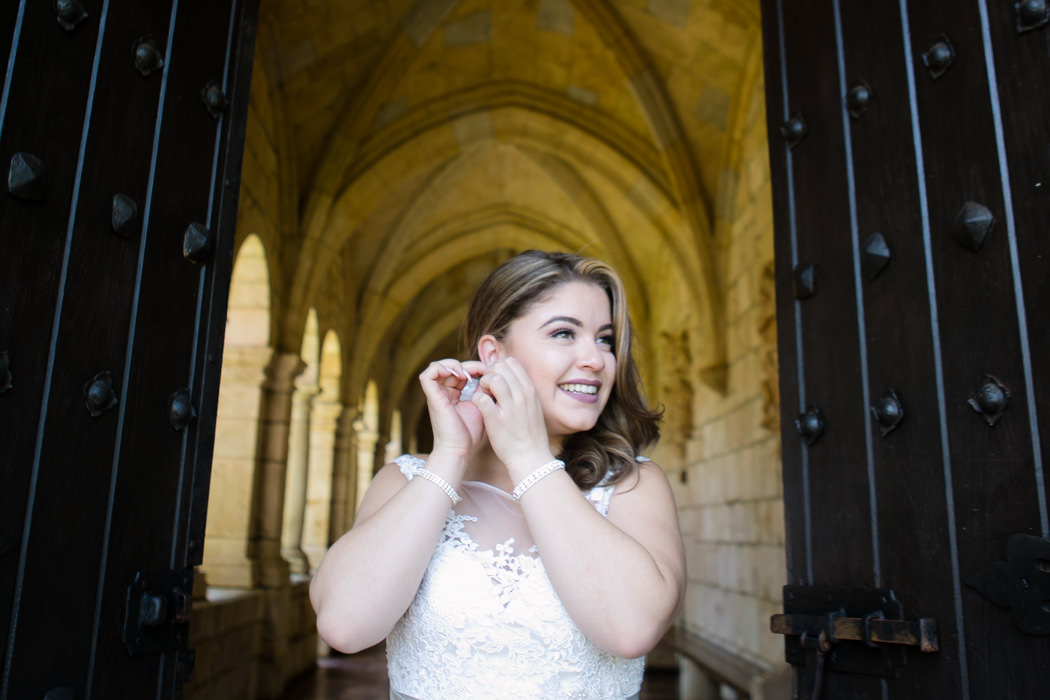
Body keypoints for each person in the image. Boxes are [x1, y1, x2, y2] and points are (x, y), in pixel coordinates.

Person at [310, 250, 686, 699]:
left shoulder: (632, 486)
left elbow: (631, 631)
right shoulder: (405, 481)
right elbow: (345, 626)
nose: (596, 359)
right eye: (564, 333)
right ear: (494, 353)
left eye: (604, 339)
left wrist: (529, 458)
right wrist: (450, 455)